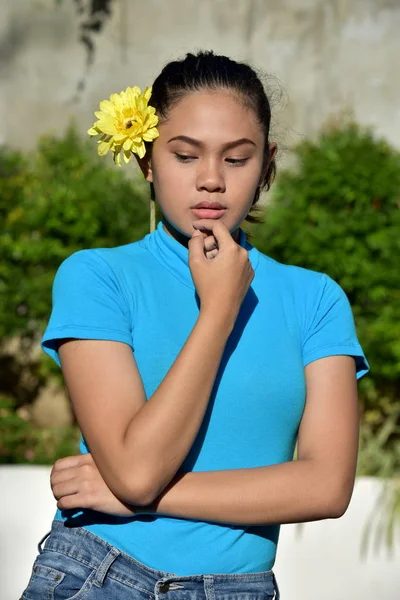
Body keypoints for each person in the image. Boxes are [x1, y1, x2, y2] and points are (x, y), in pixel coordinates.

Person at [21, 50, 369, 600]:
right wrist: (219, 310)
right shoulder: (97, 276)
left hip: (240, 589)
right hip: (101, 575)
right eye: (185, 156)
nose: (211, 180)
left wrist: (148, 496)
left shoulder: (315, 299)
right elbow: (136, 470)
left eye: (237, 159)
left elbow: (326, 486)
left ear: (267, 163)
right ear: (147, 161)